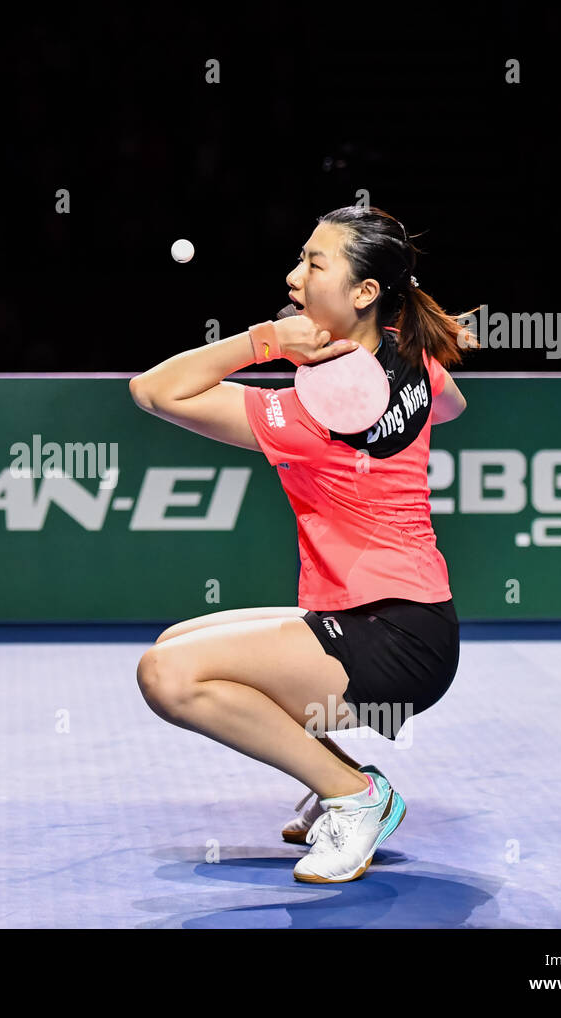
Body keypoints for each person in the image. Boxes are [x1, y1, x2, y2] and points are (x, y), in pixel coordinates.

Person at [129, 205, 477, 883]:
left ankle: (358, 799)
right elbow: (452, 404)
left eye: (315, 264)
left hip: (392, 643)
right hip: (408, 623)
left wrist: (267, 342)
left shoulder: (304, 413)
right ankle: (340, 776)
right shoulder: (414, 359)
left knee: (167, 677)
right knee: (179, 643)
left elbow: (151, 391)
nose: (294, 277)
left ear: (365, 292)